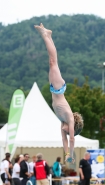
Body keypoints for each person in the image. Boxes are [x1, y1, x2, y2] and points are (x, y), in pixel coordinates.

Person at [34, 23, 84, 163]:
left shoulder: (62, 122)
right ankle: (46, 35)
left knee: (53, 62)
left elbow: (64, 139)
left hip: (54, 89)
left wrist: (66, 153)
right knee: (52, 62)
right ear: (73, 127)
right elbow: (72, 139)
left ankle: (48, 35)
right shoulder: (69, 119)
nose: (65, 131)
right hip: (58, 88)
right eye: (68, 130)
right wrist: (72, 154)